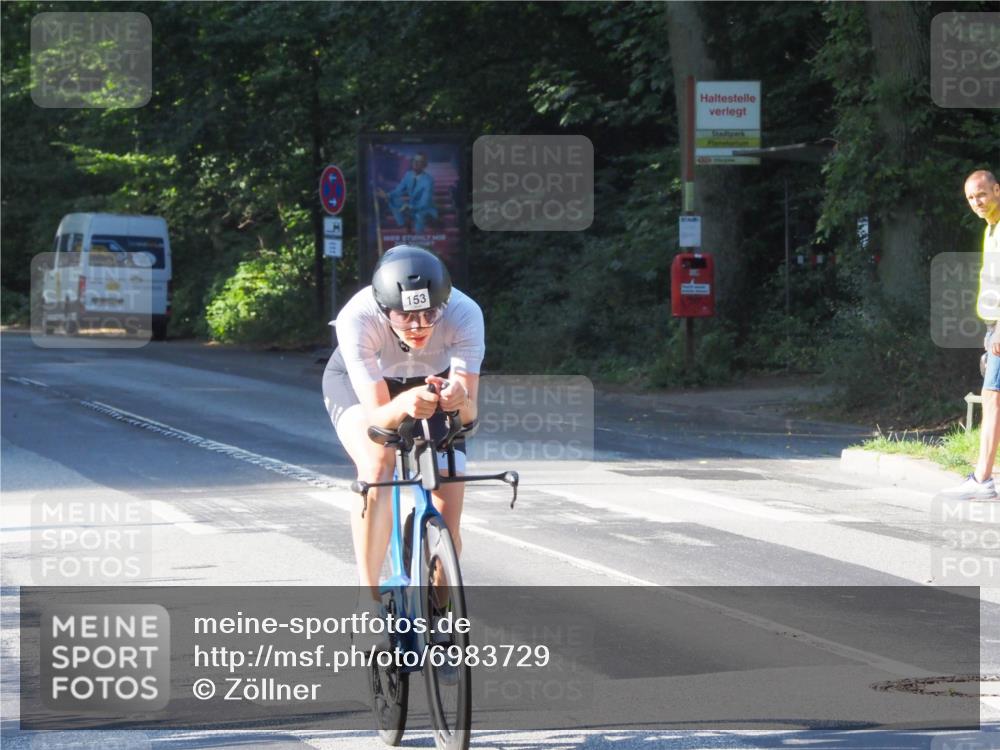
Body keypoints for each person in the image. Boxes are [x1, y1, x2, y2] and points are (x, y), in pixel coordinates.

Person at [323, 245, 483, 602]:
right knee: (378, 464)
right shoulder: (358, 317)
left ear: (445, 303)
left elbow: (469, 415)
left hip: (432, 382)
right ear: (383, 309)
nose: (418, 327)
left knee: (449, 517)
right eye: (404, 316)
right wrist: (403, 405)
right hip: (366, 387)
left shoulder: (464, 312)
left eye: (429, 314)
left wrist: (459, 401)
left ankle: (440, 614)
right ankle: (369, 598)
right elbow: (379, 417)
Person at [943, 169, 1000, 500]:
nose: (976, 202)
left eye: (981, 194)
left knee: (992, 398)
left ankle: (982, 479)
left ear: (996, 189)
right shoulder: (990, 227)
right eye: (970, 198)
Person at [377, 153, 438, 232]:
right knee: (392, 199)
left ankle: (419, 237)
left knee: (419, 215)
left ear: (424, 165)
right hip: (411, 207)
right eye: (414, 160)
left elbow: (424, 203)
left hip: (425, 209)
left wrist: (409, 206)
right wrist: (387, 195)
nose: (415, 163)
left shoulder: (428, 180)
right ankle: (403, 224)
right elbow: (398, 190)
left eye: (419, 161)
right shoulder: (408, 175)